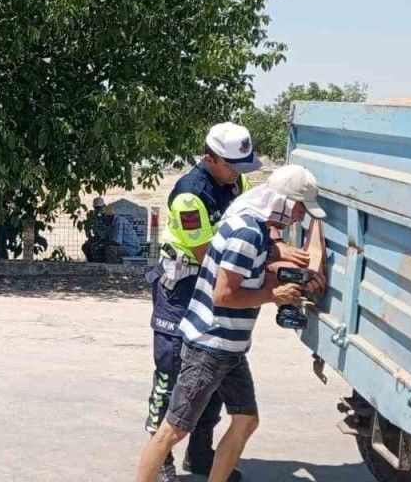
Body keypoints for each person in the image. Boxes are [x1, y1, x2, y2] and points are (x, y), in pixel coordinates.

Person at [134, 165, 326, 482]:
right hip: (211, 345)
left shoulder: (250, 222)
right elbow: (223, 295)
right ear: (283, 202)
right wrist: (273, 295)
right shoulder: (248, 234)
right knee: (174, 429)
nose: (299, 217)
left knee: (246, 420)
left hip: (228, 348)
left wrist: (287, 277)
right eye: (299, 209)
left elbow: (249, 274)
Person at [145, 122, 269, 482]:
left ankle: (200, 454)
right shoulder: (189, 195)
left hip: (215, 283)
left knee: (212, 372)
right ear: (210, 158)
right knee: (172, 372)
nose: (238, 174)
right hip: (182, 287)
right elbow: (206, 254)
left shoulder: (237, 181)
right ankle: (161, 456)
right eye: (232, 166)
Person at [83, 196, 140, 262]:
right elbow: (105, 239)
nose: (102, 220)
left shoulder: (118, 221)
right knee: (87, 246)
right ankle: (94, 264)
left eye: (103, 217)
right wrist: (94, 241)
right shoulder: (108, 223)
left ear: (109, 216)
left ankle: (113, 266)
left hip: (130, 248)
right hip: (120, 246)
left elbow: (116, 242)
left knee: (110, 249)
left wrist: (100, 245)